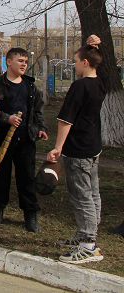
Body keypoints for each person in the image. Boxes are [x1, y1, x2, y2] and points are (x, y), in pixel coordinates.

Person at [46, 36, 106, 264]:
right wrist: (95, 47)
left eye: (76, 61)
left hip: (79, 148)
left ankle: (88, 245)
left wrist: (57, 147)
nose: (74, 65)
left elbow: (65, 120)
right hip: (93, 146)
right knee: (93, 193)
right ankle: (86, 235)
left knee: (82, 197)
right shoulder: (100, 83)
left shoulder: (79, 86)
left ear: (85, 63)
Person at [0, 48, 47, 233]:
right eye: (20, 61)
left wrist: (41, 128)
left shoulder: (30, 86)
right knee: (1, 176)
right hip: (2, 139)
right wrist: (7, 118)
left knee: (26, 177)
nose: (24, 64)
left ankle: (30, 213)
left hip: (25, 140)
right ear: (9, 62)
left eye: (26, 62)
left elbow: (37, 111)